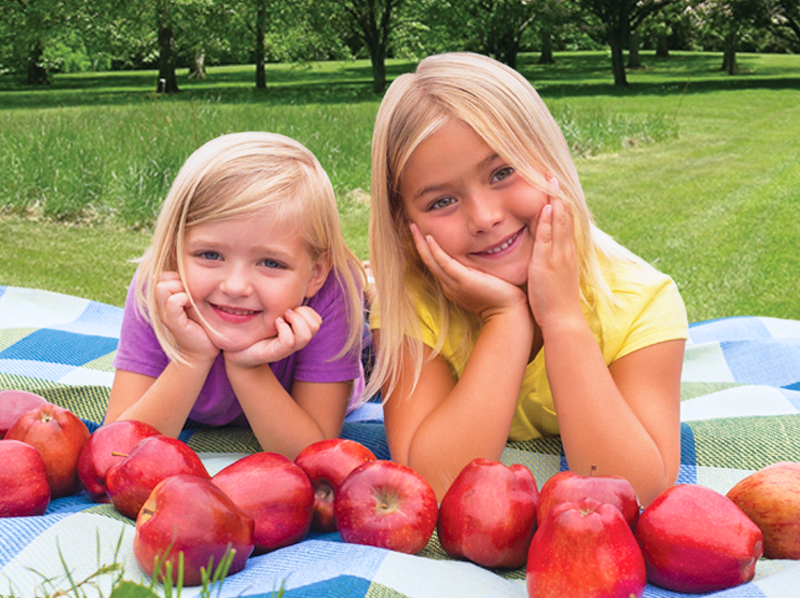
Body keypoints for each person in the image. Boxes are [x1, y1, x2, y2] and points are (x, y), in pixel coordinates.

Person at [366, 52, 689, 506]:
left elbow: (639, 491)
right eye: (442, 202)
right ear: (405, 224)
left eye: (502, 172)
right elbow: (430, 484)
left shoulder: (639, 300)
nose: (485, 217)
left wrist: (561, 318)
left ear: (549, 159)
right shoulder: (412, 304)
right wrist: (506, 319)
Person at [106, 132, 366, 459]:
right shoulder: (155, 287)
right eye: (210, 255)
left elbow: (311, 456)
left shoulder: (333, 291)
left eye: (270, 262)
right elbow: (116, 453)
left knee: (382, 342)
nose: (235, 287)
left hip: (332, 366)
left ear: (315, 273)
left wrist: (248, 369)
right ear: (174, 252)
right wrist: (192, 358)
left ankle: (373, 288)